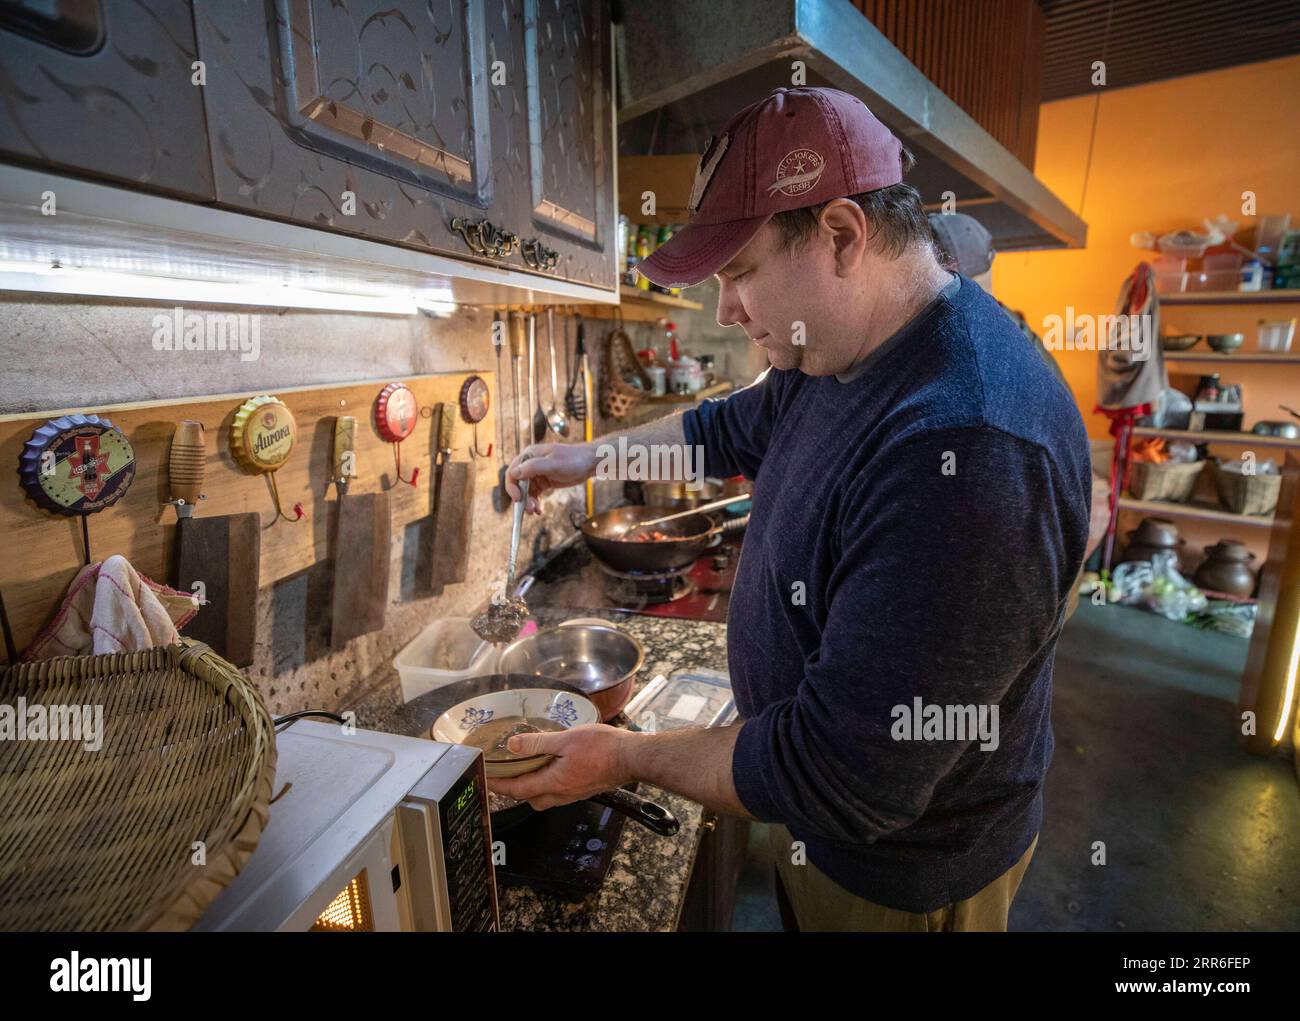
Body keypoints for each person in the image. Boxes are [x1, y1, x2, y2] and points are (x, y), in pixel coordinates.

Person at [497, 86, 1092, 932]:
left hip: (900, 873)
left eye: (739, 273)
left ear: (842, 236)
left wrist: (621, 756)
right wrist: (589, 457)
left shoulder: (967, 449)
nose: (726, 310)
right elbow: (723, 429)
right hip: (820, 826)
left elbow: (844, 775)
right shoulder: (840, 349)